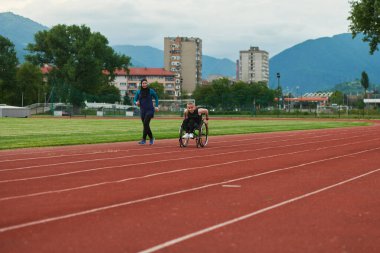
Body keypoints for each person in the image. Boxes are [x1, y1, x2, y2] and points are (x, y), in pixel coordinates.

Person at [133, 78, 159, 145]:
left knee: (145, 124)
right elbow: (134, 100)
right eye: (143, 83)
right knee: (145, 125)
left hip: (150, 110)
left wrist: (156, 106)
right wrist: (136, 103)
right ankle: (144, 140)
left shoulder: (151, 91)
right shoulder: (138, 92)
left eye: (145, 83)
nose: (144, 84)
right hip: (142, 110)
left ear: (147, 84)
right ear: (141, 84)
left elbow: (156, 98)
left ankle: (150, 138)